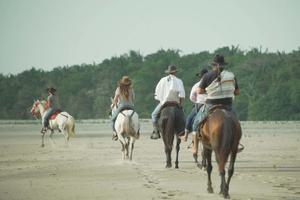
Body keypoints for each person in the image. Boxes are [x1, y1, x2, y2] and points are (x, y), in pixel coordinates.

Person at [192, 54, 240, 133]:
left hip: (211, 105)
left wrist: (210, 90)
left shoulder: (207, 76)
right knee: (236, 124)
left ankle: (195, 143)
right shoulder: (231, 76)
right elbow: (237, 92)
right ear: (224, 65)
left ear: (213, 65)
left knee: (196, 124)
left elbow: (199, 91)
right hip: (227, 105)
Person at [150, 65, 185, 139]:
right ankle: (182, 132)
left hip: (164, 103)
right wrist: (181, 105)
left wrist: (162, 100)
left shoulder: (162, 80)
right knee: (183, 117)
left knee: (153, 115)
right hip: (176, 103)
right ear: (175, 72)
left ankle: (156, 132)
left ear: (168, 72)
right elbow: (182, 95)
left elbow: (157, 92)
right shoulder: (179, 81)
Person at [179, 68, 208, 142]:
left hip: (200, 104)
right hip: (211, 104)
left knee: (189, 118)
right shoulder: (211, 84)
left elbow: (191, 97)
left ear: (200, 77)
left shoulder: (197, 85)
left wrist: (196, 101)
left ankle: (185, 136)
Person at [111, 76, 135, 141]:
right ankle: (137, 132)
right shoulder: (131, 89)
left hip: (122, 106)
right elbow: (133, 98)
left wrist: (113, 105)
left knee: (113, 119)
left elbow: (115, 99)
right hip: (131, 106)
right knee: (135, 117)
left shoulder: (118, 89)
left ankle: (115, 133)